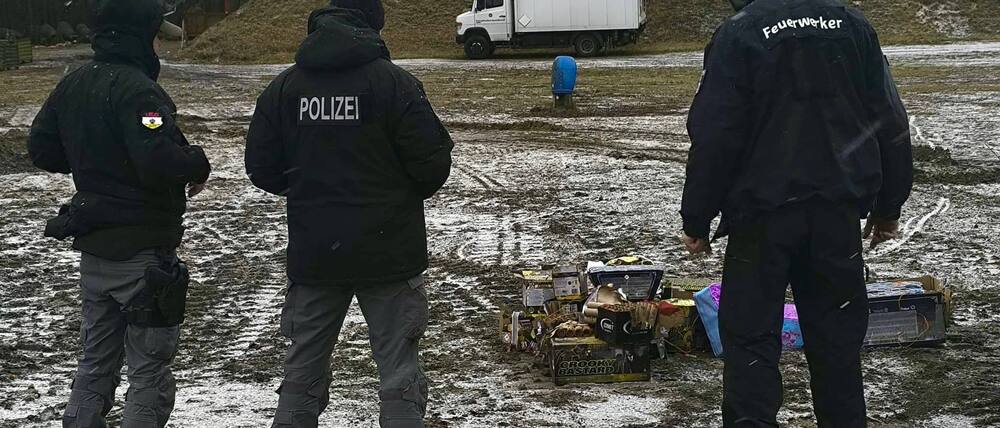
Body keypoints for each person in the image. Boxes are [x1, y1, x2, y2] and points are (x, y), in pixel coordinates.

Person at [679, 0, 912, 426]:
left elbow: (715, 133)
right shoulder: (852, 26)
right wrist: (888, 207)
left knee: (750, 342)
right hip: (835, 216)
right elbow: (890, 120)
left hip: (760, 219)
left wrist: (696, 216)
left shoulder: (741, 31)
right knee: (837, 346)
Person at [244, 1, 453, 426]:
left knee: (300, 375)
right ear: (372, 26)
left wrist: (309, 190)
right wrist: (392, 197)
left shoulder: (286, 88)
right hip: (389, 251)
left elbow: (261, 167)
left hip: (316, 252)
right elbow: (433, 164)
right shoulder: (394, 84)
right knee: (399, 376)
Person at [27, 0, 211, 426]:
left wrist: (95, 163)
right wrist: (196, 162)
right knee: (149, 372)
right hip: (142, 253)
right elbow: (155, 160)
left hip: (94, 249)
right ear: (139, 36)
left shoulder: (74, 82)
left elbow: (42, 149)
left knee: (94, 367)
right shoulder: (138, 89)